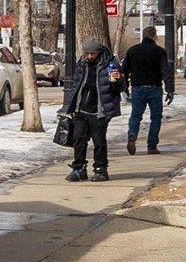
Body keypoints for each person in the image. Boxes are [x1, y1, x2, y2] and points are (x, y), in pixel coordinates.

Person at [61, 38, 124, 182]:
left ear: (99, 53)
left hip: (99, 110)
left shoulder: (110, 65)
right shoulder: (81, 64)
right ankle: (79, 168)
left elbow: (120, 89)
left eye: (92, 54)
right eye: (87, 54)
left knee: (99, 141)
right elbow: (76, 86)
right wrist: (71, 106)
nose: (89, 56)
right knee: (79, 140)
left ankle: (101, 169)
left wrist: (118, 80)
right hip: (81, 109)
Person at [120, 25, 173, 155]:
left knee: (135, 115)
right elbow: (165, 71)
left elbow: (124, 70)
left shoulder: (132, 50)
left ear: (143, 36)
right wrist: (170, 89)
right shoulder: (160, 51)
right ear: (155, 36)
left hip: (137, 88)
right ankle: (152, 145)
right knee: (156, 117)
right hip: (154, 88)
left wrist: (125, 87)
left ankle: (132, 134)